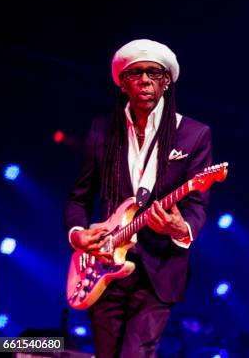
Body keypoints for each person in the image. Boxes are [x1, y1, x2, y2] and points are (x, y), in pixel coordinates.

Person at [64, 39, 212, 357]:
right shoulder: (102, 130)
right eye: (135, 73)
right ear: (122, 84)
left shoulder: (193, 134)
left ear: (166, 81)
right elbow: (78, 199)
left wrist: (179, 228)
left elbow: (197, 204)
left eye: (154, 73)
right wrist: (79, 235)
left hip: (158, 270)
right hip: (103, 266)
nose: (145, 80)